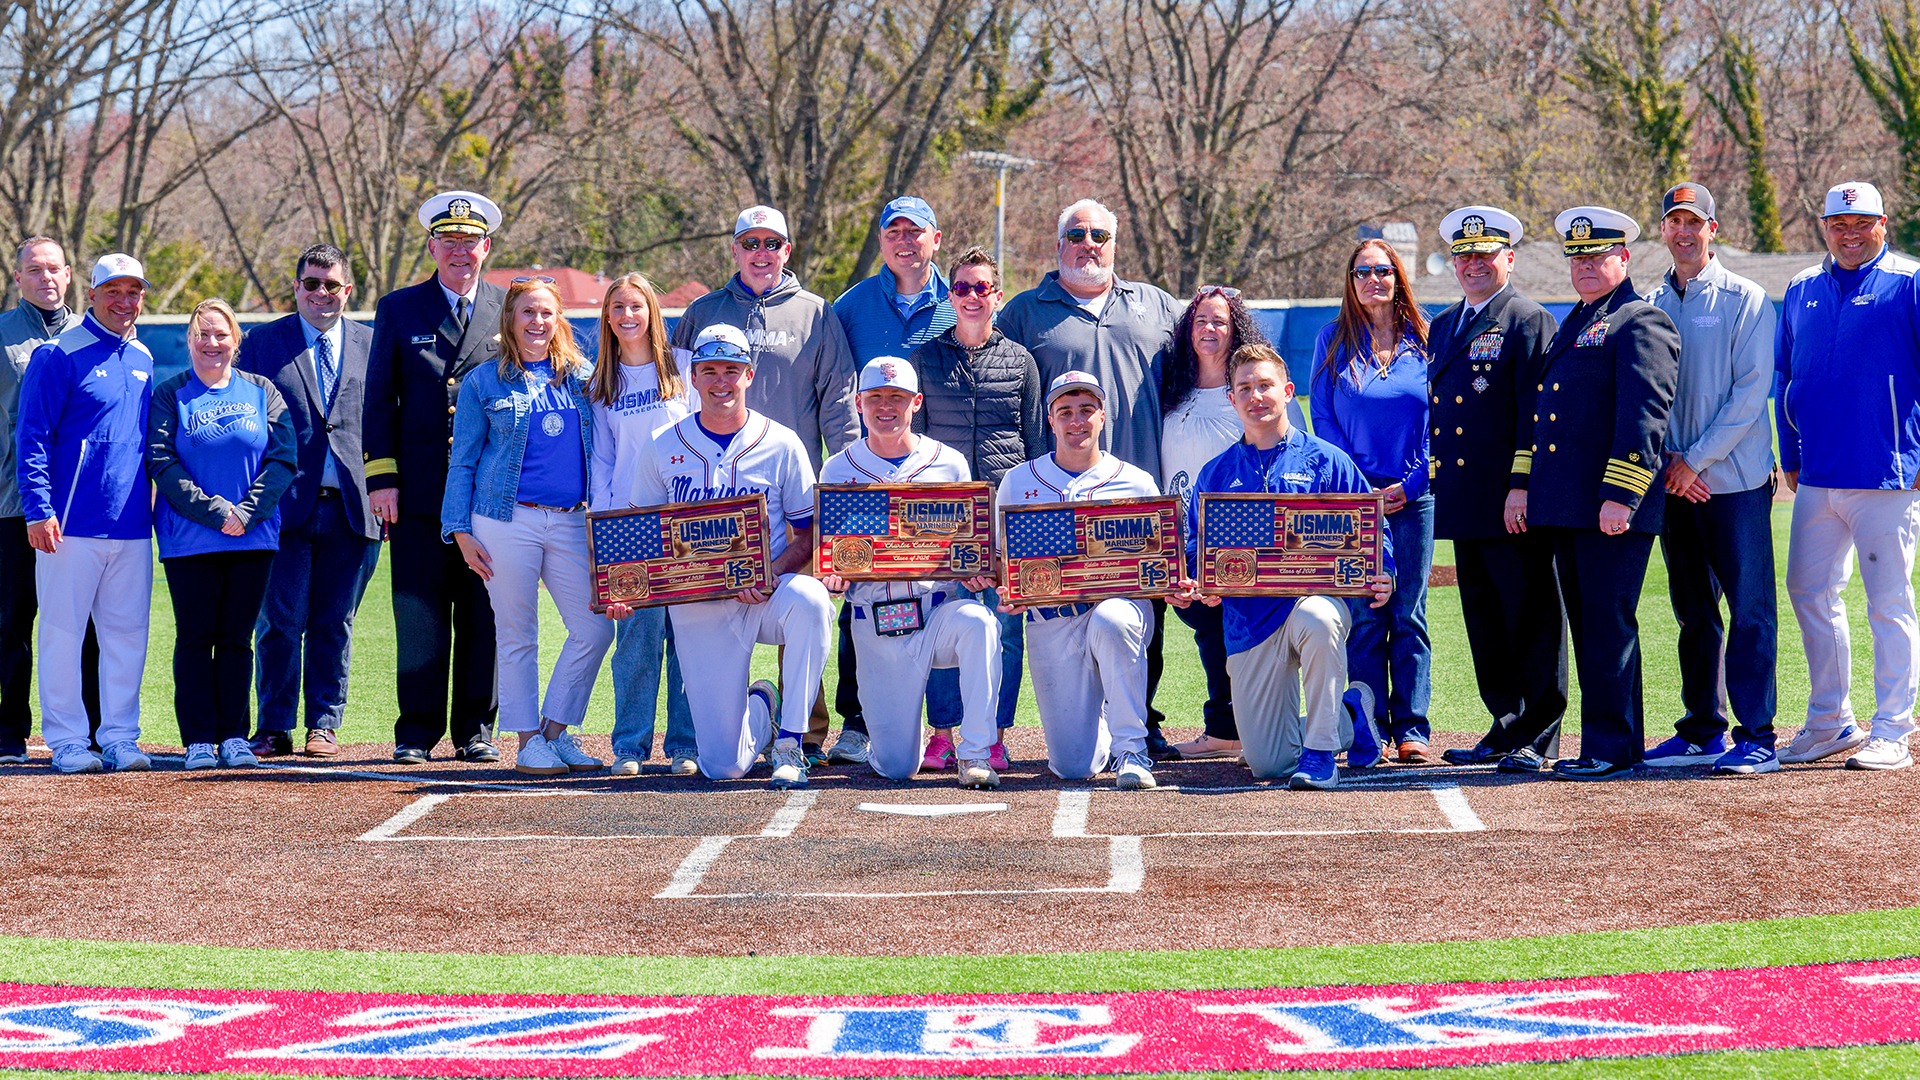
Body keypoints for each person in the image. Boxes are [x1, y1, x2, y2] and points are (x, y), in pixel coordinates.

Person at [670, 204, 856, 765]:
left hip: (786, 495)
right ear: (735, 249)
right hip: (707, 502)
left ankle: (806, 735)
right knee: (708, 623)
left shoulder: (816, 312)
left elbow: (840, 410)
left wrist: (842, 508)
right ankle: (718, 724)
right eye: (750, 243)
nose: (760, 253)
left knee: (805, 605)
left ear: (787, 250)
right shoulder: (702, 311)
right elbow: (678, 396)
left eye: (771, 243)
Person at [998, 198, 1183, 759]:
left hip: (1136, 490)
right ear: (1059, 245)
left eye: (1100, 235)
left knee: (1136, 609)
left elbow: (1202, 367)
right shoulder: (1027, 312)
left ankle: (1140, 724)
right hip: (1057, 493)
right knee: (1062, 614)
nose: (1089, 244)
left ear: (1115, 243)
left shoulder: (1155, 305)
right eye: (1077, 234)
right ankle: (1066, 727)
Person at [1510, 206, 1679, 781]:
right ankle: (1610, 742)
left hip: (1608, 506)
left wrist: (1621, 496)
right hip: (1568, 506)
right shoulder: (1579, 320)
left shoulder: (1640, 322)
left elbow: (1644, 419)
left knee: (1608, 625)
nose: (1585, 266)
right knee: (1588, 624)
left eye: (1597, 256)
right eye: (1576, 257)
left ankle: (1612, 744)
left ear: (1624, 258)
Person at [630, 324, 834, 788]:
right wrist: (627, 589)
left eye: (731, 370)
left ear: (749, 375)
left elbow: (807, 531)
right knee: (723, 767)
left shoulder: (781, 442)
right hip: (698, 603)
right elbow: (640, 530)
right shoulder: (664, 443)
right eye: (709, 370)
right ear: (694, 377)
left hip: (766, 595)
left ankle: (790, 743)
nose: (721, 381)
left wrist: (772, 573)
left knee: (812, 600)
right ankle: (763, 705)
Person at [1185, 344, 1393, 788]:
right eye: (1245, 388)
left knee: (1320, 616)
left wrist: (1385, 571)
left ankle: (1321, 752)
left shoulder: (1327, 460)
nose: (1256, 396)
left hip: (1308, 604)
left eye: (1265, 385)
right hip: (1249, 622)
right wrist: (1203, 579)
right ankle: (1348, 715)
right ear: (1231, 398)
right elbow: (1194, 545)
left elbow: (1372, 529)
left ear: (1287, 392)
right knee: (1270, 765)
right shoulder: (1215, 474)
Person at [1777, 181, 1920, 772]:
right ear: (1824, 226)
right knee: (1809, 592)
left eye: (1862, 222)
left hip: (1887, 474)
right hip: (1818, 474)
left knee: (1888, 602)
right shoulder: (1801, 288)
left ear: (1883, 223)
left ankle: (1893, 728)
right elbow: (1786, 375)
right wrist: (1790, 451)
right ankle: (1831, 721)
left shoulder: (1909, 280)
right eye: (1840, 223)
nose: (1851, 233)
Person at [443, 277, 611, 777]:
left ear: (559, 319)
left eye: (546, 313)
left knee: (594, 627)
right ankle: (526, 741)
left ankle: (554, 731)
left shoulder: (584, 377)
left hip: (570, 521)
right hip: (503, 520)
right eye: (527, 313)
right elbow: (463, 461)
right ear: (510, 320)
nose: (537, 322)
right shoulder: (482, 382)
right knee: (517, 634)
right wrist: (459, 529)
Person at [364, 190, 506, 765]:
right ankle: (416, 732)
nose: (459, 252)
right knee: (419, 613)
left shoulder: (509, 306)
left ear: (486, 247)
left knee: (483, 614)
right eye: (448, 242)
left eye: (469, 243)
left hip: (489, 493)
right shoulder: (400, 308)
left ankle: (476, 728)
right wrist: (381, 480)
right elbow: (378, 400)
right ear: (431, 246)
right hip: (420, 490)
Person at [1643, 183, 1780, 775]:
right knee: (1694, 611)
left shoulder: (1746, 297)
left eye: (1693, 221)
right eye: (1673, 221)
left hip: (1734, 485)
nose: (1682, 231)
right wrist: (1675, 465)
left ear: (1713, 229)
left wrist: (1693, 460)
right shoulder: (1651, 301)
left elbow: (1750, 395)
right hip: (1676, 484)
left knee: (1750, 610)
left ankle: (1759, 735)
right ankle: (1703, 727)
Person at [1426, 207, 1569, 774]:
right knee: (1484, 617)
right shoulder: (1443, 326)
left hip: (1511, 499)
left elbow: (1537, 415)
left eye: (1486, 254)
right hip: (1465, 498)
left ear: (1509, 257)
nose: (1474, 265)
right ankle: (1505, 724)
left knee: (1531, 613)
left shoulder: (1528, 320)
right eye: (1465, 256)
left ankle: (1542, 731)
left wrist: (1521, 485)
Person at [818, 357, 1003, 787]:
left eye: (897, 397)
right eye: (876, 397)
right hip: (873, 621)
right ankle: (903, 730)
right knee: (897, 767)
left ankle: (974, 753)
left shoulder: (949, 462)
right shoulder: (838, 469)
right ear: (859, 403)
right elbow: (826, 554)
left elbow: (967, 542)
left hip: (936, 611)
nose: (886, 407)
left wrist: (974, 571)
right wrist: (831, 575)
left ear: (916, 402)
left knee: (980, 622)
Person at [13, 253, 157, 774]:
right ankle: (69, 740)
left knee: (126, 635)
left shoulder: (143, 356)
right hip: (67, 523)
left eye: (133, 292)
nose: (124, 302)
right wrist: (39, 509)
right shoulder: (58, 353)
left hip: (132, 526)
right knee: (60, 632)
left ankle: (119, 736)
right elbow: (30, 436)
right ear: (91, 294)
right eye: (113, 291)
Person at [827, 196, 957, 768]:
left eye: (916, 231)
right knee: (862, 588)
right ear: (881, 240)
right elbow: (832, 384)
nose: (904, 240)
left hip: (941, 465)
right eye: (893, 231)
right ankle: (857, 722)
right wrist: (848, 464)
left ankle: (950, 729)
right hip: (870, 469)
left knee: (945, 595)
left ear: (935, 239)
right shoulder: (851, 306)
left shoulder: (963, 301)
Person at [239, 244, 382, 759]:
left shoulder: (374, 344)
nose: (320, 293)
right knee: (278, 622)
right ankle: (274, 725)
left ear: (347, 290)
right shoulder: (260, 345)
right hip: (281, 507)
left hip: (354, 505)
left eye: (331, 285)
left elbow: (385, 427)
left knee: (334, 621)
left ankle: (324, 722)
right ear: (296, 287)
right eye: (310, 283)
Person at [905, 246, 1043, 772]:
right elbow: (912, 447)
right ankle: (942, 734)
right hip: (942, 519)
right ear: (950, 294)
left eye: (980, 288)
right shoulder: (925, 358)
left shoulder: (1021, 360)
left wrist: (1029, 515)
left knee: (1005, 627)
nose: (969, 296)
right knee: (946, 622)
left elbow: (1034, 444)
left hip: (1006, 517)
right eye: (960, 287)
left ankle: (995, 735)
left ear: (996, 297)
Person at [994, 370, 1166, 790]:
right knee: (1073, 766)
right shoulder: (1019, 481)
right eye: (1065, 411)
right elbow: (1001, 559)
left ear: (1103, 417)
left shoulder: (1136, 480)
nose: (1077, 421)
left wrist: (1172, 588)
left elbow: (1159, 560)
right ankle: (1101, 722)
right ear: (1050, 420)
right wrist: (1008, 589)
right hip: (1051, 618)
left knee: (1113, 620)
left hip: (1118, 610)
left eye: (1087, 410)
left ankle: (1132, 748)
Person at [148, 298, 296, 770]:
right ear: (190, 340)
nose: (212, 343)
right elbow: (161, 463)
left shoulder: (262, 391)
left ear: (236, 340)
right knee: (195, 637)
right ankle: (196, 739)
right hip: (189, 539)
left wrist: (247, 513)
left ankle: (233, 734)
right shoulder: (170, 393)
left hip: (252, 538)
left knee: (236, 638)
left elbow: (282, 458)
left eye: (221, 334)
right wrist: (217, 513)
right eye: (202, 335)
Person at [1158, 284, 1303, 761]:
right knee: (1203, 621)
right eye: (1201, 320)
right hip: (1186, 529)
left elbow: (1292, 451)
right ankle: (1225, 727)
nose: (1209, 329)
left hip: (1247, 535)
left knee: (1244, 625)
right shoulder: (1170, 385)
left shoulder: (1252, 385)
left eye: (1220, 320)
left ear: (1235, 327)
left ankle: (1254, 725)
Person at [1308, 239, 1434, 764]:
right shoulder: (1333, 340)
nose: (1373, 280)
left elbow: (1442, 423)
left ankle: (1412, 728)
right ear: (1350, 281)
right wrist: (1358, 491)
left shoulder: (1427, 336)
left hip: (1414, 496)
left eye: (1383, 270)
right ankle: (1367, 725)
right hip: (1352, 499)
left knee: (1408, 610)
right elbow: (1323, 417)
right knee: (1363, 611)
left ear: (1397, 276)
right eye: (1362, 272)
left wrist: (1410, 485)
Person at [587, 272, 696, 776]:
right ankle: (629, 746)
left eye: (635, 307)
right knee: (636, 640)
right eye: (617, 309)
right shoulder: (602, 385)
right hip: (630, 526)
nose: (626, 316)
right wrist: (606, 536)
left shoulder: (685, 370)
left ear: (653, 311)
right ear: (606, 319)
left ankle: (685, 745)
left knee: (689, 637)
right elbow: (604, 465)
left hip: (688, 521)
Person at [0, 237, 94, 764]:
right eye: (34, 270)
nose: (46, 279)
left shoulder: (89, 335)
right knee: (12, 620)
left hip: (79, 506)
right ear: (18, 278)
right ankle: (9, 729)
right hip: (12, 504)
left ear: (69, 273)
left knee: (82, 622)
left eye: (54, 269)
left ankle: (86, 729)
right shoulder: (2, 335)